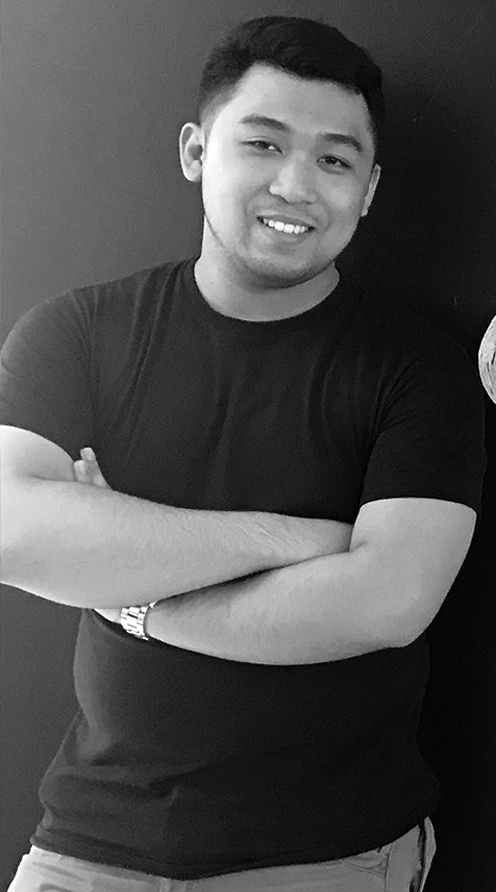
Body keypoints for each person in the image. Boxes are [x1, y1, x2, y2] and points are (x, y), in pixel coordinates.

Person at [0, 14, 486, 892]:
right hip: (86, 845)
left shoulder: (419, 371)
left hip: (332, 855)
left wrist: (132, 597)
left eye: (335, 160)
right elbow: (13, 531)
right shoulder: (78, 333)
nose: (296, 185)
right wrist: (298, 541)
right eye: (263, 144)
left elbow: (388, 602)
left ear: (369, 189)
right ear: (196, 151)